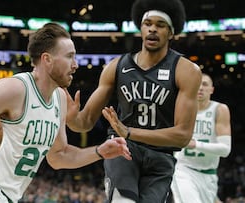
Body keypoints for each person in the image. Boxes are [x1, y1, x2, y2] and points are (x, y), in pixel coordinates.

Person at [0, 22, 132, 203]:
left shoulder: (59, 99)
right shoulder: (15, 89)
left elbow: (59, 156)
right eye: (70, 56)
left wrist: (99, 151)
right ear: (47, 59)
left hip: (4, 197)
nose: (75, 64)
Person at [65, 0, 202, 202]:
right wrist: (71, 119)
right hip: (122, 148)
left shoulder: (186, 71)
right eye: (148, 24)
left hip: (160, 157)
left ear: (171, 33)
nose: (152, 29)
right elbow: (84, 123)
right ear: (141, 28)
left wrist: (130, 131)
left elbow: (182, 136)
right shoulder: (116, 67)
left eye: (160, 25)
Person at [170, 73, 231, 203]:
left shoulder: (220, 110)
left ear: (211, 89)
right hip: (183, 170)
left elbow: (225, 150)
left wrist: (195, 144)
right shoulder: (180, 108)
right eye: (197, 84)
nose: (200, 88)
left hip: (209, 175)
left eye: (204, 84)